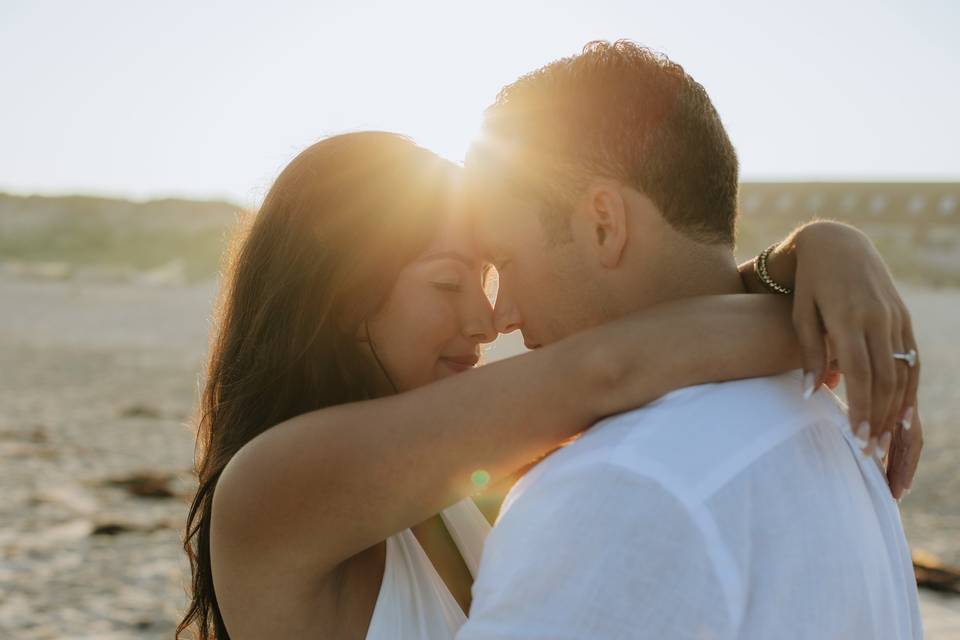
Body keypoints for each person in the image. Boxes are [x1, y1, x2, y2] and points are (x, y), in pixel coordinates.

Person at [176, 131, 918, 640]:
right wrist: (825, 310)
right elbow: (608, 368)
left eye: (488, 274)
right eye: (446, 282)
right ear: (336, 297)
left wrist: (819, 255)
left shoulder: (454, 470)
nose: (484, 318)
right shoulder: (271, 488)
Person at [456, 41, 922, 640]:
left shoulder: (617, 489)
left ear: (604, 224)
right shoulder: (824, 420)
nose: (501, 317)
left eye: (507, 262)